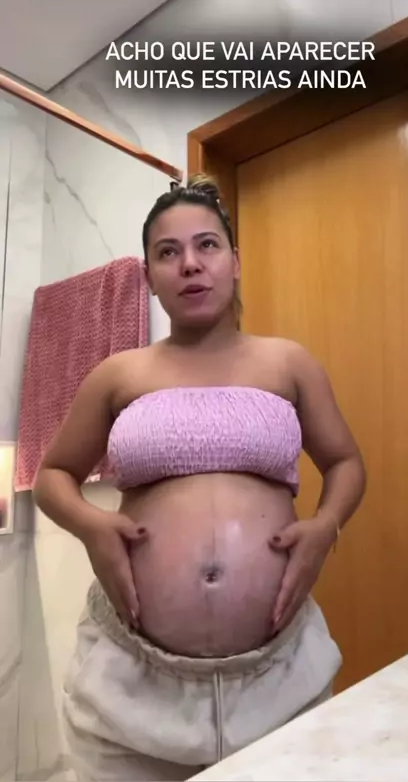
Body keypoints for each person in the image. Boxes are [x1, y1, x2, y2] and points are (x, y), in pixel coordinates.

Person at [33, 174, 366, 782]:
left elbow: (346, 463)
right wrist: (91, 526)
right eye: (168, 252)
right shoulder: (117, 374)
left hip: (280, 680)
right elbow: (54, 473)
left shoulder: (288, 362)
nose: (190, 263)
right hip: (132, 690)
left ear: (235, 261)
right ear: (149, 276)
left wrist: (326, 526)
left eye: (206, 245)